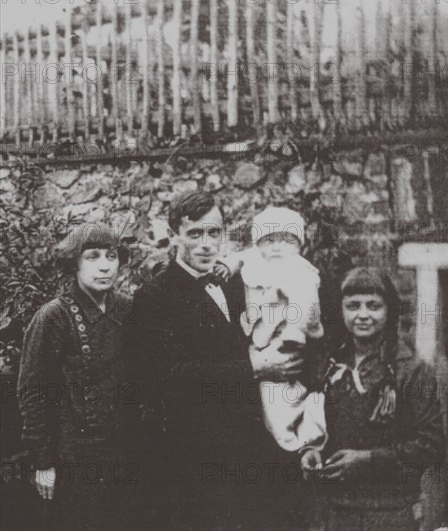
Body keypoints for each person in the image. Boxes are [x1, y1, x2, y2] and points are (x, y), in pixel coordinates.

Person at [129, 192, 308, 531]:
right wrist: (255, 367)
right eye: (195, 234)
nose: (206, 244)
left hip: (250, 447)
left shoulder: (234, 285)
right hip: (198, 458)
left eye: (215, 233)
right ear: (174, 234)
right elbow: (171, 376)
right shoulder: (155, 296)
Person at [301, 267, 445, 531]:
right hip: (335, 512)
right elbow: (318, 428)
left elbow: (431, 446)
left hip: (391, 512)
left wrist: (367, 459)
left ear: (389, 311)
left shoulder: (411, 371)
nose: (363, 315)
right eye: (353, 306)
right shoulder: (329, 367)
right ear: (341, 310)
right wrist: (312, 452)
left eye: (373, 306)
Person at [17, 223, 133, 531]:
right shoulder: (54, 317)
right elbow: (33, 393)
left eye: (111, 256)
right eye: (93, 257)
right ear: (74, 264)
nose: (105, 265)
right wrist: (43, 462)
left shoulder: (127, 309)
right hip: (74, 458)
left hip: (122, 451)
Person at [215, 206, 327, 452]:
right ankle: (289, 432)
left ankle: (297, 439)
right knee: (269, 394)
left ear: (298, 244)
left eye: (286, 241)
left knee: (279, 392)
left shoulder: (301, 270)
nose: (277, 248)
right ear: (259, 242)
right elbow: (239, 257)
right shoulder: (256, 260)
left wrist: (294, 333)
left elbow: (306, 306)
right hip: (259, 338)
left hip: (290, 336)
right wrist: (226, 265)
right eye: (269, 240)